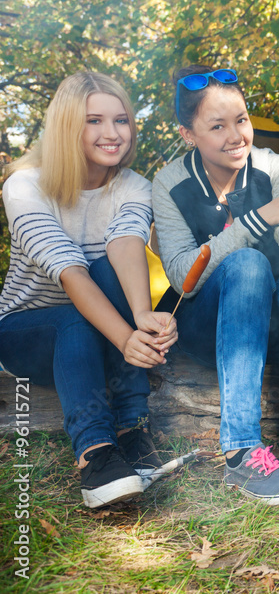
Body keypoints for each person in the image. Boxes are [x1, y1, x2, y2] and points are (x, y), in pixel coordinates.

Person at [153, 65, 279, 505]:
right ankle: (242, 450)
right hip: (201, 325)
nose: (236, 136)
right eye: (217, 126)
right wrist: (261, 217)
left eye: (242, 119)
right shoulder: (169, 182)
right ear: (188, 134)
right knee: (247, 263)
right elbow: (181, 275)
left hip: (268, 327)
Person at [0, 72, 177, 508]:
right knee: (73, 316)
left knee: (108, 270)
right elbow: (70, 272)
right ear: (66, 126)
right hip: (27, 333)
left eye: (121, 120)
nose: (112, 133)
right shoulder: (24, 186)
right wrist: (125, 338)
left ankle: (132, 427)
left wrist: (141, 318)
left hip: (102, 333)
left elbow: (125, 246)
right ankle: (96, 455)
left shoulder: (134, 185)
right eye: (94, 120)